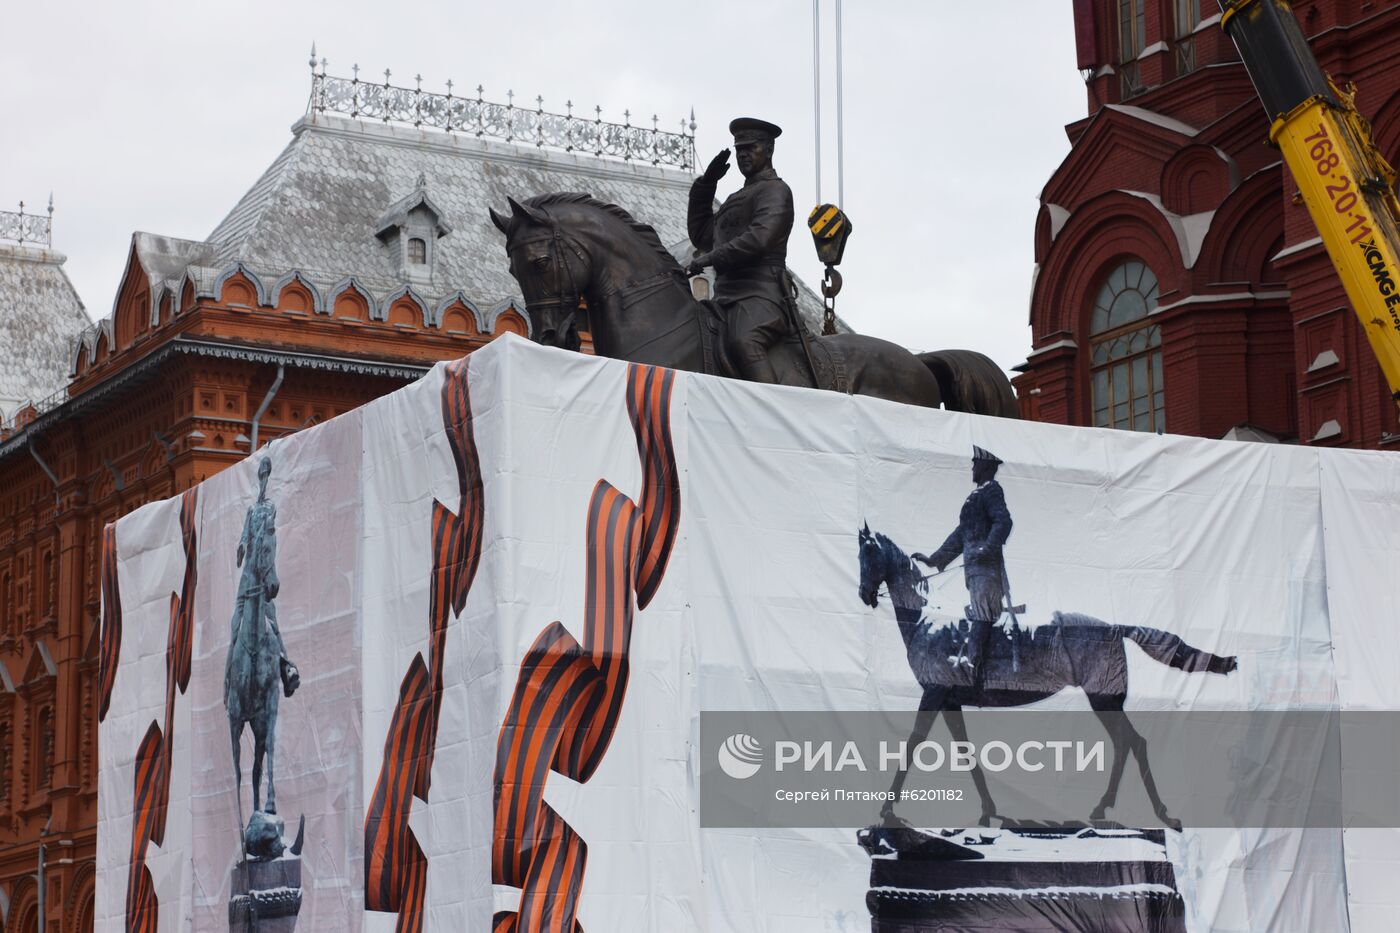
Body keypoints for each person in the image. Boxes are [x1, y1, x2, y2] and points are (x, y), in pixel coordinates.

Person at [686, 117, 797, 385]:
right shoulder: (735, 199)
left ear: (769, 150)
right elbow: (703, 236)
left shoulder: (776, 191)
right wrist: (706, 185)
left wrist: (711, 258)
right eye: (738, 150)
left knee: (744, 341)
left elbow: (759, 238)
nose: (743, 155)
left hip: (761, 295)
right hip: (726, 298)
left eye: (750, 148)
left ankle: (773, 408)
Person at [914, 447, 1013, 688]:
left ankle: (972, 663)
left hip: (987, 570)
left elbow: (1004, 521)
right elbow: (961, 535)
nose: (972, 467)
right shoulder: (975, 497)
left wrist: (987, 548)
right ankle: (973, 659)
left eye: (976, 464)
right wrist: (935, 559)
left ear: (986, 467)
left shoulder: (991, 490)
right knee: (979, 613)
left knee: (982, 613)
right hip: (976, 571)